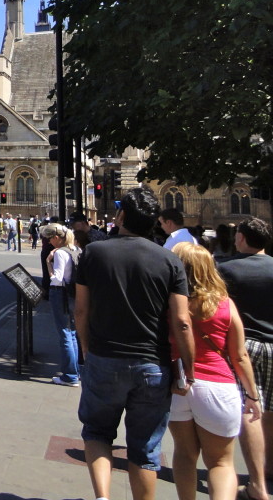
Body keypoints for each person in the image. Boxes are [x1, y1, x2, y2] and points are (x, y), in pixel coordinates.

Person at [74, 187, 194, 500]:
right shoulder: (170, 261)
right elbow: (182, 321)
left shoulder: (94, 253)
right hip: (152, 364)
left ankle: (103, 497)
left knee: (98, 432)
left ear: (122, 216)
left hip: (104, 357)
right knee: (145, 449)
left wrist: (85, 348)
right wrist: (188, 369)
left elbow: (82, 310)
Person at [168, 242, 261, 500]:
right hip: (218, 386)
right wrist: (252, 395)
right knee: (220, 463)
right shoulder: (224, 304)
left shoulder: (169, 304)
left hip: (180, 384)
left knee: (184, 455)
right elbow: (239, 356)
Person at [218, 217, 273, 500]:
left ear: (241, 239)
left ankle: (257, 485)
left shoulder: (226, 270)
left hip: (244, 347)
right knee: (271, 412)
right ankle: (269, 471)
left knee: (250, 411)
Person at [41, 222, 81, 386]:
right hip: (73, 295)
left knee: (65, 334)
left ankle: (70, 376)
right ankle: (76, 372)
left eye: (49, 239)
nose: (48, 242)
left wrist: (49, 262)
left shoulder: (59, 253)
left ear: (56, 238)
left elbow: (57, 279)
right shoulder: (76, 249)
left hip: (60, 294)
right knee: (72, 334)